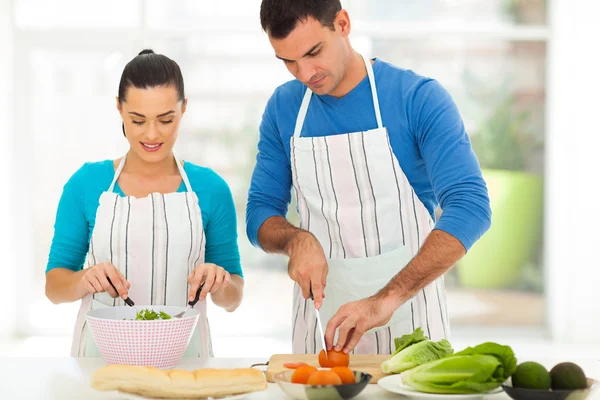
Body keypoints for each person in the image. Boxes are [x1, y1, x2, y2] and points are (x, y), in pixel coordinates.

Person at [246, 0, 491, 355]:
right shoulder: (284, 108)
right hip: (320, 330)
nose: (305, 73)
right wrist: (294, 240)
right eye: (288, 61)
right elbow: (260, 212)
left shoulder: (417, 98)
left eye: (314, 52)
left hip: (412, 326)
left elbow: (471, 207)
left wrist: (384, 300)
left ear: (343, 24)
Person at [45, 49, 244, 358]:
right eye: (138, 120)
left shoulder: (211, 189)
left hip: (185, 359)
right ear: (119, 109)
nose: (152, 134)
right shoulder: (85, 184)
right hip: (101, 361)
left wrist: (220, 282)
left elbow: (233, 298)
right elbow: (54, 288)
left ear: (184, 109)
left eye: (166, 120)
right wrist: (85, 279)